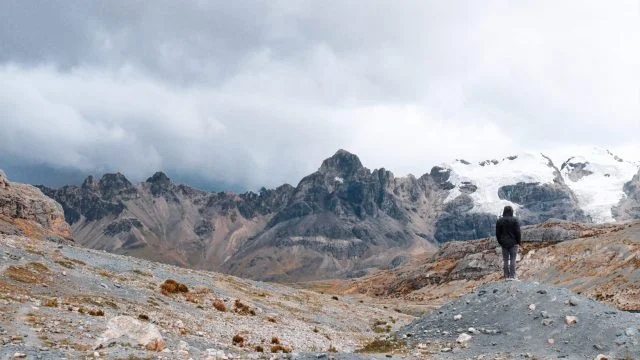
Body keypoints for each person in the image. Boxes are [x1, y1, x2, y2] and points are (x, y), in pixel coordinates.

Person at [495, 205, 521, 280]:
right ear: (511, 211)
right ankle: (512, 276)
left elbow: (497, 233)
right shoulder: (515, 220)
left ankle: (506, 276)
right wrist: (519, 242)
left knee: (505, 260)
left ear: (504, 211)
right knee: (513, 259)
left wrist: (500, 242)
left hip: (504, 243)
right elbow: (518, 232)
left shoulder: (499, 221)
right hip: (514, 243)